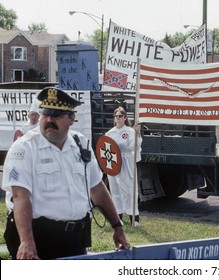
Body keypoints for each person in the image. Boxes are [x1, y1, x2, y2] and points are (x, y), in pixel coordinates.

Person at [2, 87, 129, 260]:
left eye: (56, 115)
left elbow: (97, 189)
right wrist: (26, 241)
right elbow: (20, 197)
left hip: (75, 238)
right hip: (37, 237)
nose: (49, 120)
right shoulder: (25, 147)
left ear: (71, 118)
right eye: (45, 114)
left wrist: (117, 227)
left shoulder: (81, 144)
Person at [106, 106, 142, 226]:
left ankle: (134, 218)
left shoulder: (130, 131)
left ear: (125, 117)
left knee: (129, 190)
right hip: (113, 163)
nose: (118, 118)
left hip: (126, 162)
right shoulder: (110, 133)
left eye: (120, 116)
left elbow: (134, 146)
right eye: (116, 116)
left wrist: (137, 134)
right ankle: (118, 216)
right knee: (115, 189)